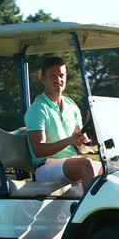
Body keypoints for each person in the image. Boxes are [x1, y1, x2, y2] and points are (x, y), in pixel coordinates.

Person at [24, 56, 102, 192]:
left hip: (70, 162)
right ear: (43, 79)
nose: (58, 80)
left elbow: (81, 147)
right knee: (86, 164)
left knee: (110, 169)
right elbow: (38, 150)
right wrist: (68, 141)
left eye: (61, 75)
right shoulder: (38, 109)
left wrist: (88, 141)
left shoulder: (71, 105)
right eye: (53, 76)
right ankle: (90, 212)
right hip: (46, 167)